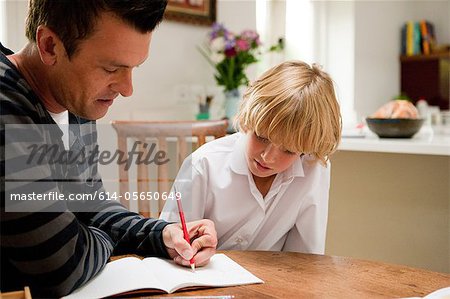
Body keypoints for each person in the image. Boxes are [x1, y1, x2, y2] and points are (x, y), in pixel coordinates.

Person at [0, 0, 217, 297]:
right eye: (111, 68)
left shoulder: (73, 100)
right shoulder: (7, 107)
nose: (128, 89)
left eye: (133, 68)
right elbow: (60, 266)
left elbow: (91, 204)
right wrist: (97, 233)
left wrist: (161, 234)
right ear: (50, 45)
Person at [160, 60, 342, 254]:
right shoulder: (204, 165)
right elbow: (168, 247)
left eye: (288, 150)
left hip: (271, 281)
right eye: (262, 137)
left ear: (305, 150)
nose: (268, 157)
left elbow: (305, 258)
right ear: (249, 119)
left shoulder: (313, 169)